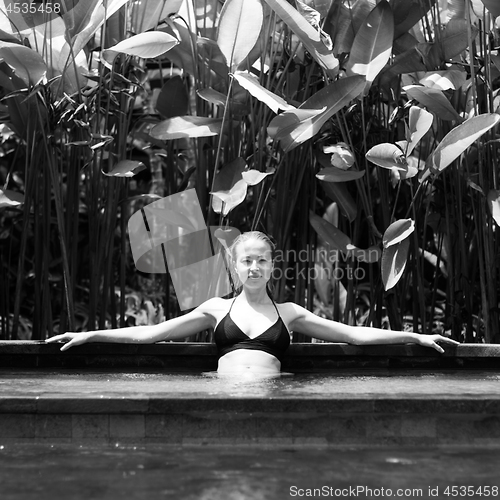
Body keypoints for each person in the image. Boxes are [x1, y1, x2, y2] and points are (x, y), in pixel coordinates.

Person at [46, 231, 458, 374]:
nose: (255, 267)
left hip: (275, 395)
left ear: (273, 267)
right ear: (235, 267)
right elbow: (150, 334)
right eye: (248, 261)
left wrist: (415, 336)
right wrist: (90, 334)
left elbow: (353, 334)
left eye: (262, 261)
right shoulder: (214, 309)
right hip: (221, 392)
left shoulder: (290, 314)